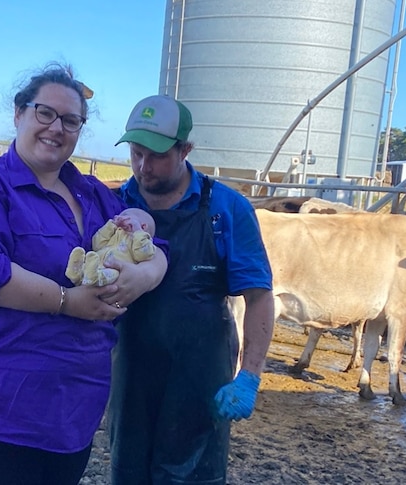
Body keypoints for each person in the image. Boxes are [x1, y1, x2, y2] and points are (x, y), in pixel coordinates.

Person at [0, 64, 168, 485]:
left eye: (70, 120)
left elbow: (150, 245)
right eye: (45, 113)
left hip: (72, 410)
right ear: (19, 113)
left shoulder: (95, 195)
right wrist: (69, 303)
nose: (56, 128)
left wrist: (150, 273)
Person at [107, 94, 276, 485]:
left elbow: (259, 297)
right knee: (128, 471)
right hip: (131, 369)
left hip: (199, 374)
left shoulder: (225, 209)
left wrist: (250, 374)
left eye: (156, 155)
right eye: (135, 153)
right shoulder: (116, 204)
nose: (143, 167)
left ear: (186, 149)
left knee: (191, 474)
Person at [65, 207, 156, 287]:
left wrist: (138, 232)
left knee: (113, 274)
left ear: (143, 226)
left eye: (127, 217)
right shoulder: (115, 233)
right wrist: (111, 225)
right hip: (97, 263)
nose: (120, 218)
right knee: (89, 264)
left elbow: (142, 255)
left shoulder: (144, 242)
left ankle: (95, 277)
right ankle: (77, 274)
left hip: (116, 270)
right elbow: (97, 245)